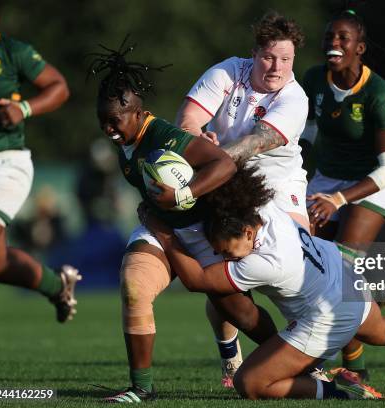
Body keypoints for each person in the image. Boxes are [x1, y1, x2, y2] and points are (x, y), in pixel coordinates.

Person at [139, 165, 385, 400]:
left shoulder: (265, 263)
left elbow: (197, 280)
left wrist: (161, 229)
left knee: (250, 384)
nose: (228, 256)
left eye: (229, 250)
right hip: (342, 277)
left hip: (326, 316)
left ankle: (338, 392)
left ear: (248, 232)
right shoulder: (262, 209)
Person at [88, 39, 278, 403]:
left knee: (238, 311)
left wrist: (182, 194)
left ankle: (298, 362)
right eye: (103, 121)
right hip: (161, 228)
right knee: (134, 287)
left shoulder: (164, 136)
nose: (108, 129)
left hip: (200, 230)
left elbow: (222, 163)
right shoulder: (124, 142)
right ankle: (141, 388)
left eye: (114, 121)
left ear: (138, 113)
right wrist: (155, 210)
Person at [174, 11, 309, 386]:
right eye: (269, 57)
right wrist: (197, 138)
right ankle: (230, 355)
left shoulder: (295, 97)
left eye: (286, 59)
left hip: (279, 187)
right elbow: (186, 120)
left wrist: (210, 157)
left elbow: (254, 143)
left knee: (301, 274)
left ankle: (320, 358)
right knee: (223, 279)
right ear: (254, 54)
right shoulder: (227, 72)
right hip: (227, 183)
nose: (276, 67)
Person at [299, 9, 385, 379]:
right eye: (329, 37)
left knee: (340, 268)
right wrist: (295, 169)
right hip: (327, 180)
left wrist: (340, 200)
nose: (334, 43)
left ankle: (352, 367)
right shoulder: (313, 79)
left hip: (370, 184)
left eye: (343, 38)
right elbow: (307, 131)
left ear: (359, 47)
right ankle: (354, 362)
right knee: (305, 262)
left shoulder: (378, 91)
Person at [0, 0, 80, 322]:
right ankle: (56, 284)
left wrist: (22, 108)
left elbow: (59, 87)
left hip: (3, 164)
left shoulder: (12, 51)